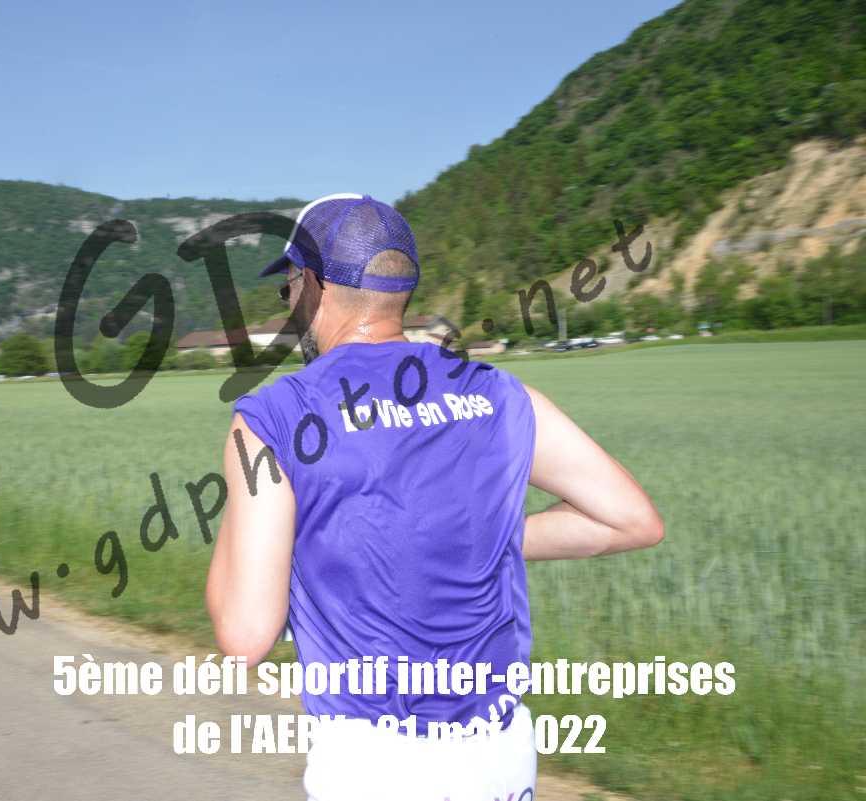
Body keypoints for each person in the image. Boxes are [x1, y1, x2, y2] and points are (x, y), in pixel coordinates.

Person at [205, 193, 664, 801]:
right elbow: (631, 521)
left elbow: (245, 635)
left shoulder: (277, 415)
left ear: (314, 284)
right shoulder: (498, 393)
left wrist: (243, 524)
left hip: (374, 766)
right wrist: (467, 538)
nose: (288, 305)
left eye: (286, 288)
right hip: (501, 757)